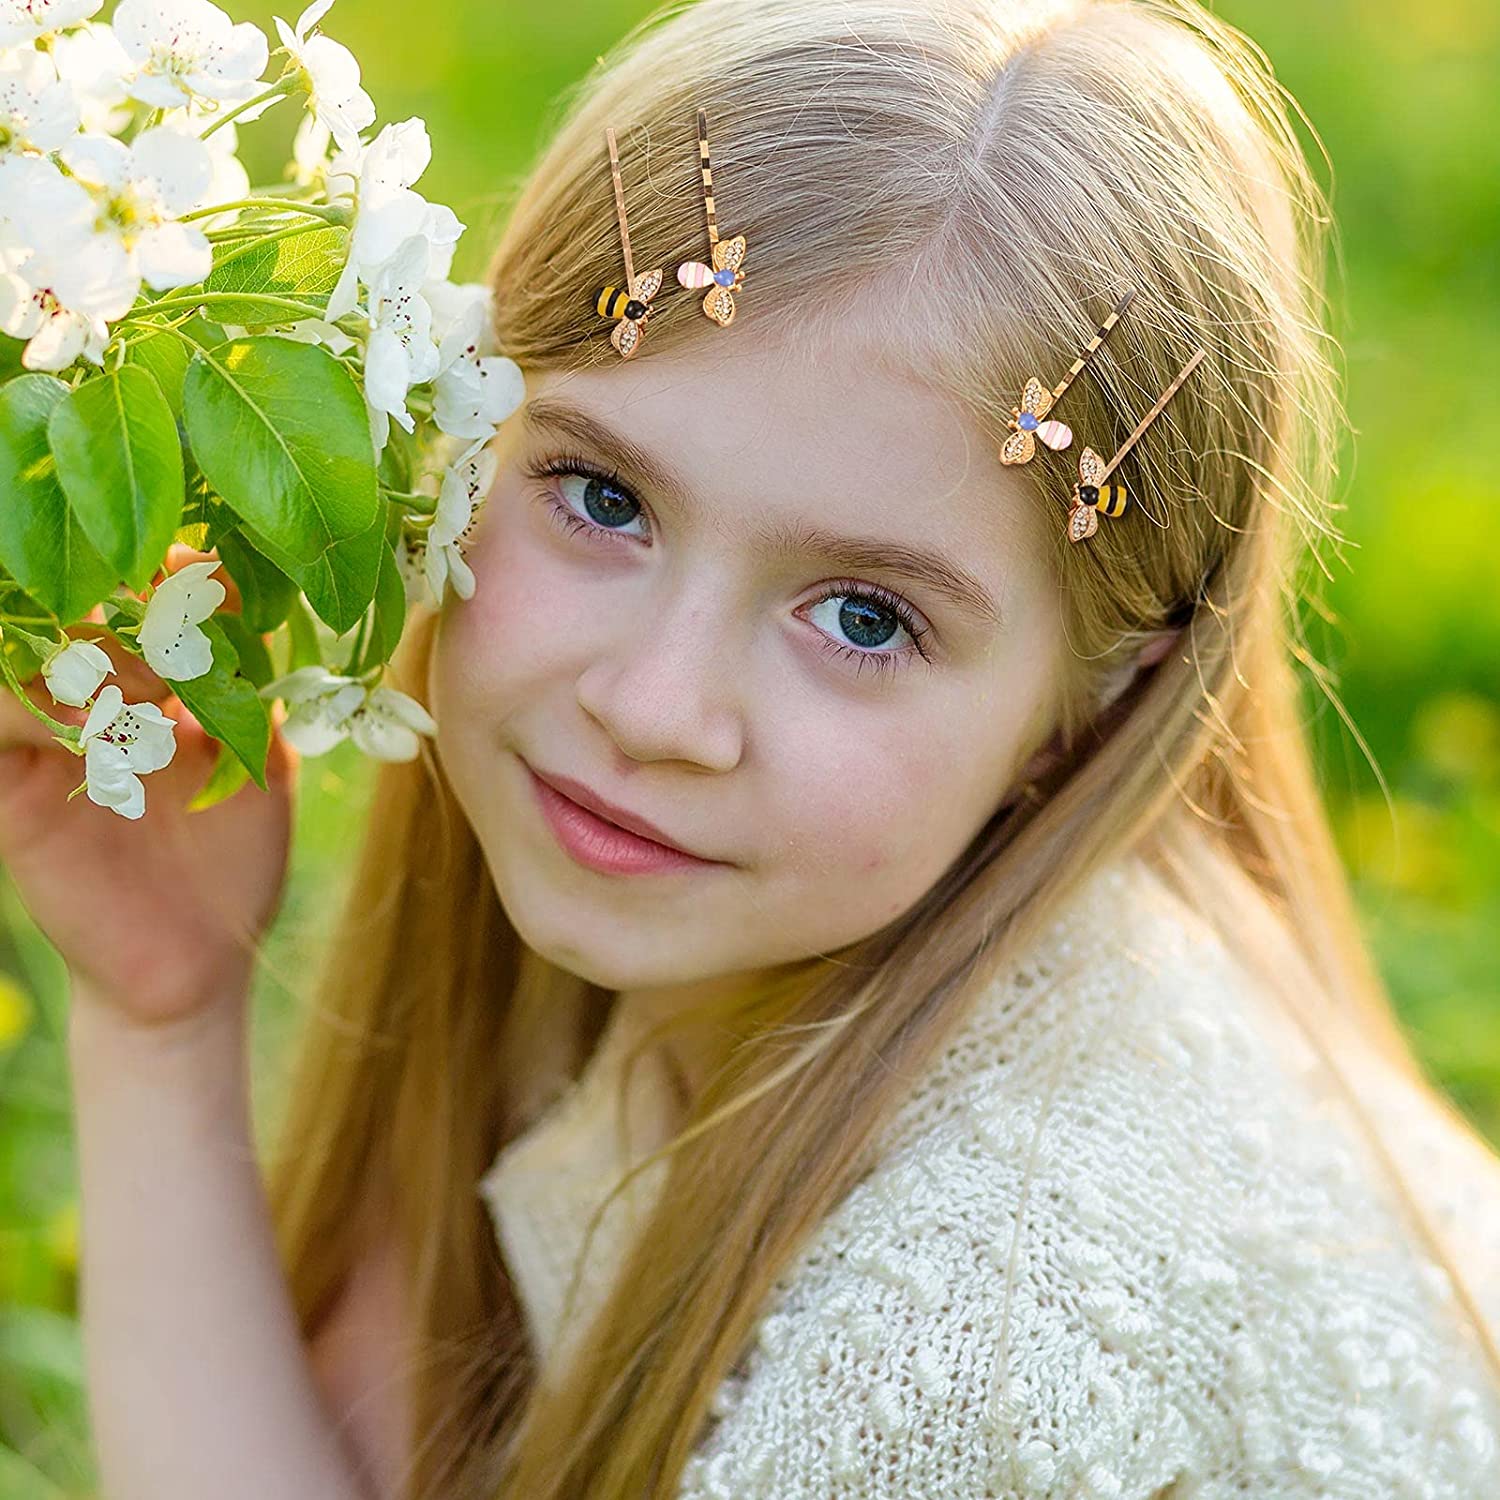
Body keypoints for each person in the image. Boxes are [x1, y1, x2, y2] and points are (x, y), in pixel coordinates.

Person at [2, 0, 1499, 1496]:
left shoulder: (971, 1353)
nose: (655, 709)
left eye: (862, 616)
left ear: (1096, 706)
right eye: (602, 498)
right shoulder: (718, 956)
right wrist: (163, 1016)